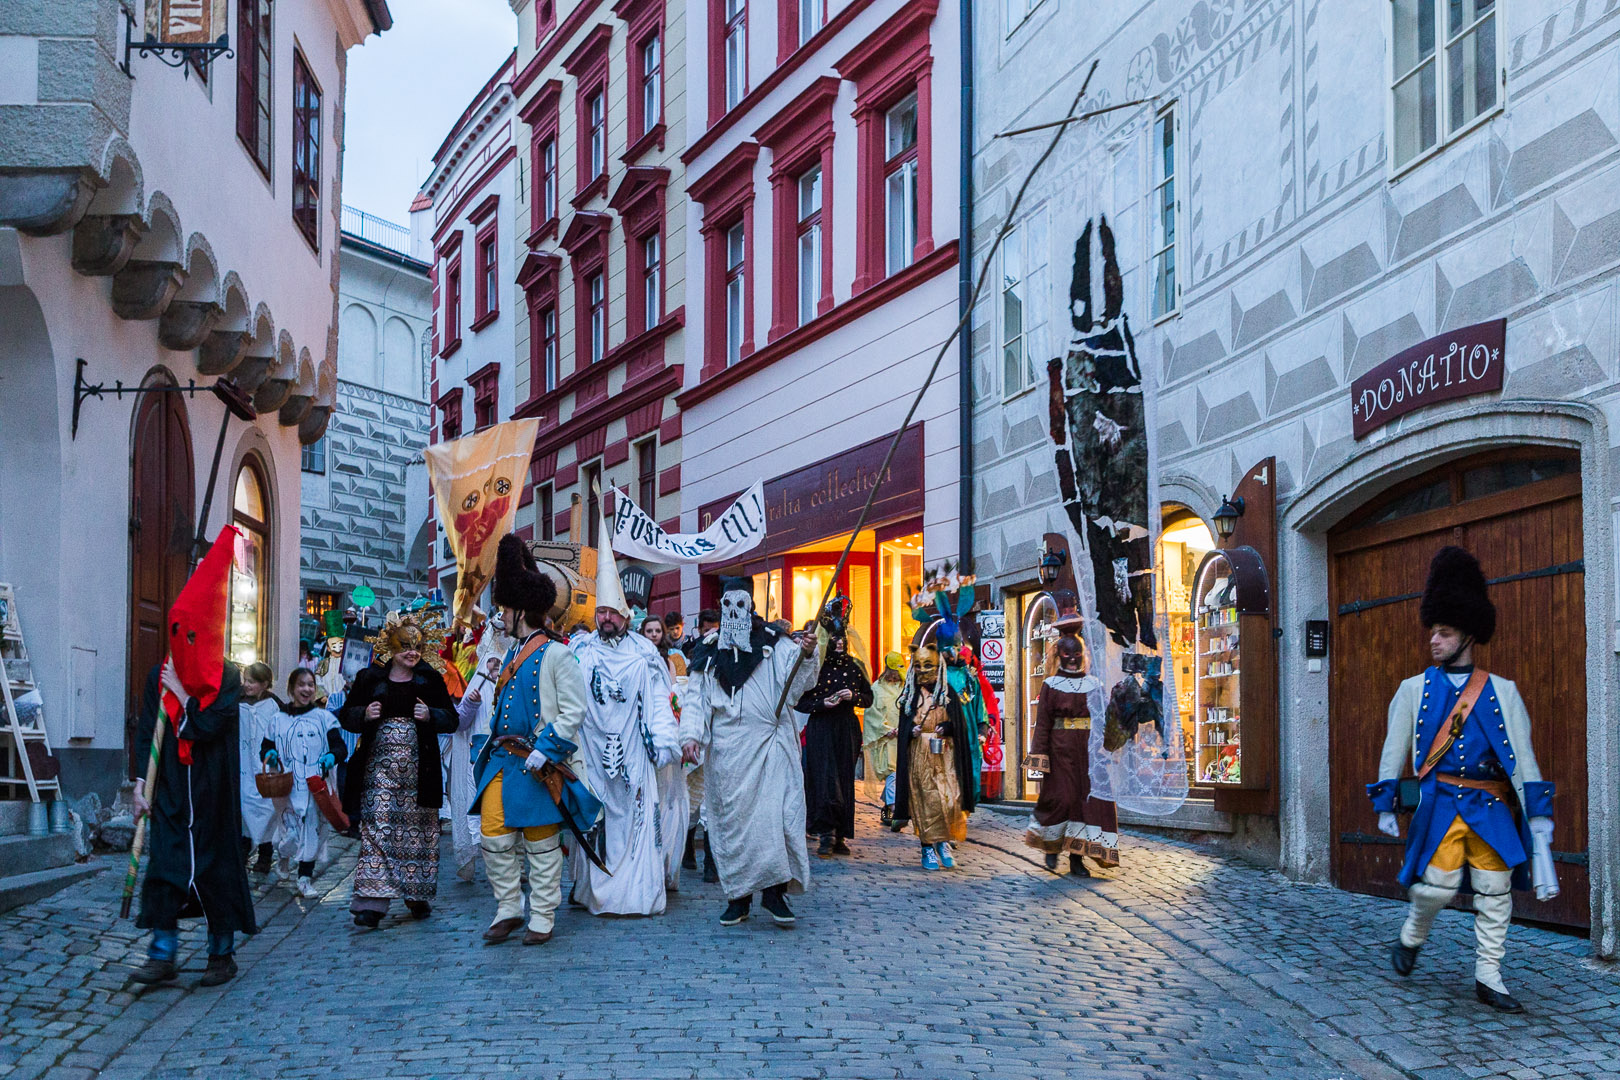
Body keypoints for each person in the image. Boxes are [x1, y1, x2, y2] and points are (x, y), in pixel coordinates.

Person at [1368, 546, 1556, 1014]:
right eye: (1433, 631)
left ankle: (1489, 976)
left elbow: (1523, 757)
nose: (1434, 640)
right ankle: (1413, 934)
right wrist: (1386, 803)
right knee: (1435, 888)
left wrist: (1539, 817)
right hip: (1440, 804)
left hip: (1490, 807)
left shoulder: (1503, 692)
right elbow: (1393, 752)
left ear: (1467, 634)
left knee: (1496, 891)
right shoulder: (1413, 689)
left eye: (1444, 632)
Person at [130, 531, 256, 988]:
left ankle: (221, 954)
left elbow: (210, 726)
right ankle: (162, 953)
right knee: (165, 869)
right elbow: (149, 732)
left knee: (214, 873)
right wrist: (141, 790)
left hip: (210, 795)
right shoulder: (158, 674)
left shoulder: (226, 678)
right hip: (169, 793)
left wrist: (184, 696)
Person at [470, 535, 598, 945]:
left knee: (542, 845)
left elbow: (573, 712)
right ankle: (508, 908)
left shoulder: (557, 655)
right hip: (503, 760)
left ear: (521, 610)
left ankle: (542, 915)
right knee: (493, 835)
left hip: (538, 763)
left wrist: (545, 751)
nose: (500, 616)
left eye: (505, 609)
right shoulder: (510, 654)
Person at [681, 579, 820, 927]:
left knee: (773, 819)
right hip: (728, 753)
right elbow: (696, 698)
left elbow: (799, 683)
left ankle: (774, 894)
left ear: (751, 606)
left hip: (771, 745)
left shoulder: (775, 643)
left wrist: (807, 653)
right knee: (733, 825)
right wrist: (691, 736)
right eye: (727, 606)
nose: (733, 614)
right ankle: (738, 897)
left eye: (740, 606)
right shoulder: (708, 649)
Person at [570, 542, 683, 914]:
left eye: (611, 612)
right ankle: (596, 892)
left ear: (624, 614)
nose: (605, 618)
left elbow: (657, 700)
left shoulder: (644, 652)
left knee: (636, 822)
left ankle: (634, 894)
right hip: (593, 755)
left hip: (633, 753)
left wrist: (665, 741)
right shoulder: (582, 651)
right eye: (599, 612)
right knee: (597, 823)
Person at [338, 610, 458, 928]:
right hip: (378, 769)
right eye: (405, 644)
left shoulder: (430, 679)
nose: (411, 651)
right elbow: (346, 715)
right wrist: (364, 712)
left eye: (416, 645)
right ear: (392, 645)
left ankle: (415, 894)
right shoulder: (370, 678)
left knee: (417, 834)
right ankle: (371, 903)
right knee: (377, 828)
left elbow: (452, 718)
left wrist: (431, 714)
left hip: (420, 771)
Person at [1022, 633, 1117, 875]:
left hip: (1088, 753)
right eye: (1067, 655)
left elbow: (1103, 718)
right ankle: (1051, 847)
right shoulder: (1050, 686)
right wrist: (1039, 757)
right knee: (1060, 800)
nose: (1073, 660)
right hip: (1059, 752)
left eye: (1077, 655)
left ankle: (1077, 859)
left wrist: (1107, 748)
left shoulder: (1094, 684)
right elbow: (1042, 723)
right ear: (1059, 656)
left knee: (1086, 804)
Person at [893, 629, 983, 871]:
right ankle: (927, 846)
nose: (924, 672)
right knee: (927, 800)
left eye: (929, 666)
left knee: (950, 798)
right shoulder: (910, 696)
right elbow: (904, 725)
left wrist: (948, 727)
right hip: (920, 753)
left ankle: (943, 842)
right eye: (919, 666)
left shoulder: (948, 693)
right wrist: (909, 732)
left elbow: (960, 726)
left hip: (946, 754)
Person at [263, 668, 347, 899]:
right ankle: (283, 856)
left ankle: (304, 878)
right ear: (291, 688)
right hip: (287, 786)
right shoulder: (278, 720)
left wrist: (332, 757)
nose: (306, 689)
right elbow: (265, 746)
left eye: (310, 684)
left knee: (311, 830)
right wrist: (270, 754)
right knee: (289, 831)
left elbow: (340, 748)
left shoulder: (324, 719)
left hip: (315, 786)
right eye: (301, 684)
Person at [797, 615, 873, 858]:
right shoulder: (816, 667)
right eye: (834, 638)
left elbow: (868, 698)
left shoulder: (855, 666)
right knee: (825, 778)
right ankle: (826, 833)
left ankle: (840, 833)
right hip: (822, 725)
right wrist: (822, 703)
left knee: (843, 778)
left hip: (846, 727)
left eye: (842, 638)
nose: (839, 642)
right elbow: (799, 700)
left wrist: (854, 696)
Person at [238, 661, 281, 876]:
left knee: (267, 809)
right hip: (244, 763)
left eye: (251, 682)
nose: (246, 685)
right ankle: (243, 851)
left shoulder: (274, 706)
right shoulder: (237, 702)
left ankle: (265, 854)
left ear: (264, 684)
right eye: (245, 681)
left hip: (265, 765)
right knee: (244, 808)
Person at [863, 652, 904, 825]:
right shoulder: (876, 689)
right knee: (892, 773)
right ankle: (895, 811)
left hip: (903, 738)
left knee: (899, 776)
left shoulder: (906, 687)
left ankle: (888, 805)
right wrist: (885, 729)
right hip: (887, 739)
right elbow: (872, 714)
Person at [641, 614, 688, 679]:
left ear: (663, 633)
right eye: (649, 631)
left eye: (658, 631)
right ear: (643, 633)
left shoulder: (675, 655)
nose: (654, 634)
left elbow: (682, 683)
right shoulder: (636, 655)